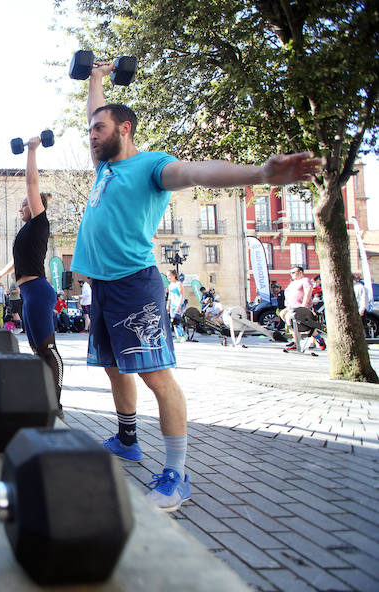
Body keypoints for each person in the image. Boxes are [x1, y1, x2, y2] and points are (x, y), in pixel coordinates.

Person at [70, 60, 322, 511]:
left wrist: (260, 174)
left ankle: (177, 473)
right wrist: (96, 79)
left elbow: (197, 173)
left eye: (98, 129)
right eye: (90, 128)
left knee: (155, 376)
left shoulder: (152, 167)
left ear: (124, 129)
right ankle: (128, 439)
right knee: (112, 366)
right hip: (104, 287)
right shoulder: (103, 170)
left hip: (134, 285)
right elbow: (97, 109)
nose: (91, 134)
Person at [0, 141, 62, 409]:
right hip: (28, 293)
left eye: (24, 205)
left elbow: (32, 185)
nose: (21, 209)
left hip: (39, 292)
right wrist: (3, 271)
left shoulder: (39, 222)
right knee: (35, 349)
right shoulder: (25, 232)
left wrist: (32, 150)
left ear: (35, 207)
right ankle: (43, 398)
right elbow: (18, 258)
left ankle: (56, 403)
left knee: (48, 349)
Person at [280, 266, 325, 351]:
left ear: (300, 272)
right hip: (291, 307)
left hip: (301, 307)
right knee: (287, 318)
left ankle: (319, 339)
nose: (292, 274)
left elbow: (308, 292)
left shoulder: (305, 280)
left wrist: (303, 306)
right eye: (291, 273)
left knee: (306, 327)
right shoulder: (292, 283)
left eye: (294, 272)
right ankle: (296, 341)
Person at [167, 270, 187, 342]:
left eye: (169, 275)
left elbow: (182, 295)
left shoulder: (178, 284)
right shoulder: (170, 285)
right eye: (167, 276)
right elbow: (170, 296)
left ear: (174, 276)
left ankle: (183, 334)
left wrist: (179, 305)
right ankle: (178, 336)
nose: (168, 277)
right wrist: (168, 305)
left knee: (176, 319)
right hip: (172, 305)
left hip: (179, 304)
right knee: (173, 321)